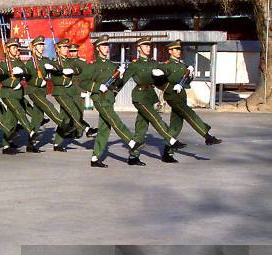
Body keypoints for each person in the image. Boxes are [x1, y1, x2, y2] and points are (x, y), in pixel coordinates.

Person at [80, 35, 145, 167]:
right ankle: (131, 142)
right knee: (115, 121)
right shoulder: (93, 65)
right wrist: (98, 87)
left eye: (107, 46)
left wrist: (120, 75)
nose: (106, 48)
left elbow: (116, 85)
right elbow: (82, 82)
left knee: (104, 129)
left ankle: (95, 158)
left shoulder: (110, 65)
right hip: (100, 99)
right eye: (103, 46)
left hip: (109, 99)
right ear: (98, 49)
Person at [122, 36, 186, 165]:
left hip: (150, 95)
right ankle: (171, 142)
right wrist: (110, 93)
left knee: (141, 127)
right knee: (156, 118)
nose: (148, 48)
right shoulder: (135, 65)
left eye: (149, 46)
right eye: (145, 46)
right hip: (139, 96)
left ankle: (133, 157)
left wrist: (182, 78)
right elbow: (121, 81)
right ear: (139, 48)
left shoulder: (154, 63)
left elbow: (164, 78)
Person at [160, 39, 222, 149]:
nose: (179, 51)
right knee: (189, 113)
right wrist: (169, 88)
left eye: (180, 49)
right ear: (170, 51)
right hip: (172, 95)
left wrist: (190, 75)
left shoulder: (182, 64)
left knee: (176, 123)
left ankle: (167, 149)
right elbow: (157, 81)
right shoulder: (166, 65)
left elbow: (187, 82)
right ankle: (207, 136)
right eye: (176, 49)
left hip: (181, 94)